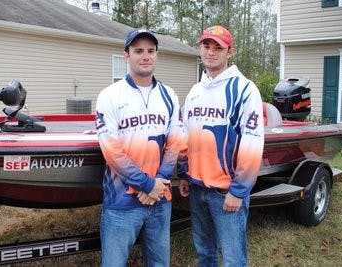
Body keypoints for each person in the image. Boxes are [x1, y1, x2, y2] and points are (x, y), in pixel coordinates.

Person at [178, 25, 264, 267]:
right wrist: (184, 173)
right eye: (206, 46)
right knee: (205, 253)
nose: (211, 52)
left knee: (234, 259)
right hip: (197, 189)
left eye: (218, 47)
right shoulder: (195, 91)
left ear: (230, 52)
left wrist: (238, 191)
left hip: (226, 192)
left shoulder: (244, 90)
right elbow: (186, 135)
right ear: (200, 49)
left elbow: (252, 142)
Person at [95, 28, 183, 267]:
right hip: (121, 202)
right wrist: (146, 184)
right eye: (139, 51)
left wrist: (159, 181)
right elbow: (111, 151)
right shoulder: (109, 96)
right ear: (126, 55)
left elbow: (175, 142)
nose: (146, 56)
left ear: (156, 55)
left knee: (159, 264)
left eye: (151, 51)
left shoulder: (169, 95)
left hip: (160, 199)